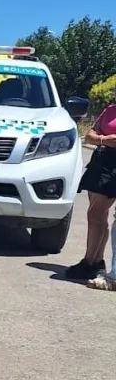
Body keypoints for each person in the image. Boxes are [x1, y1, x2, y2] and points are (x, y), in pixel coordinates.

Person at [67, 100, 116, 286]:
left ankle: (90, 261)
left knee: (95, 213)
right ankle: (95, 260)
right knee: (97, 216)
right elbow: (89, 136)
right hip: (101, 162)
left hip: (113, 168)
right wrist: (105, 140)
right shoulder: (110, 110)